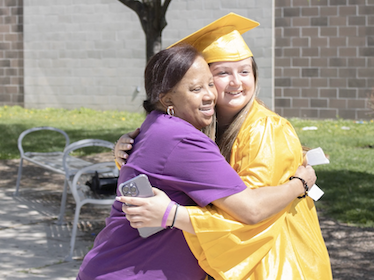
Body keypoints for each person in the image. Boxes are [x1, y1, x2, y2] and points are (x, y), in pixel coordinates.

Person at [115, 13, 332, 280]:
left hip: (273, 261)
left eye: (244, 71)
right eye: (222, 73)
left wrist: (174, 215)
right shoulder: (202, 125)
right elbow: (178, 171)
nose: (236, 82)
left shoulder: (264, 129)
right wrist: (126, 150)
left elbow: (251, 213)